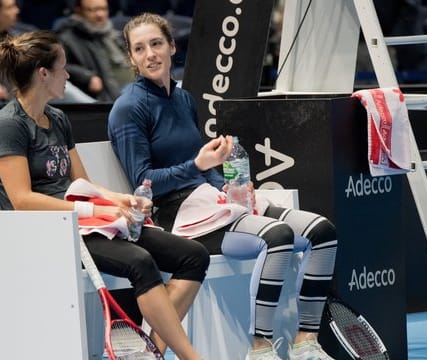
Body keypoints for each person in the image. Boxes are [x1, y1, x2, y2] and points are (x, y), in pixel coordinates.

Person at [108, 13, 338, 360]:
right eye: (139, 49)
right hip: (175, 215)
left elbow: (205, 169)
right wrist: (198, 166)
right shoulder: (129, 108)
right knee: (276, 237)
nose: (150, 54)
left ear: (171, 46)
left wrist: (229, 186)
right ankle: (260, 348)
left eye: (156, 44)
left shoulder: (184, 98)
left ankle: (307, 340)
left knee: (322, 231)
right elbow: (145, 182)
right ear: (131, 58)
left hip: (210, 201)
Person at [0, 30, 207, 360]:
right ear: (43, 74)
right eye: (62, 67)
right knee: (140, 262)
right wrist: (93, 213)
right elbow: (22, 200)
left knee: (193, 255)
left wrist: (121, 200)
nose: (68, 74)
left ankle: (151, 352)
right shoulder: (9, 125)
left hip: (85, 223)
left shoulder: (57, 119)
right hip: (46, 231)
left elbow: (83, 183)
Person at [55, 0, 133, 101]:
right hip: (106, 100)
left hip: (131, 91)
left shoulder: (114, 33)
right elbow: (56, 66)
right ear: (79, 11)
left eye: (103, 9)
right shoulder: (67, 38)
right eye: (93, 10)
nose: (100, 14)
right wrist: (87, 76)